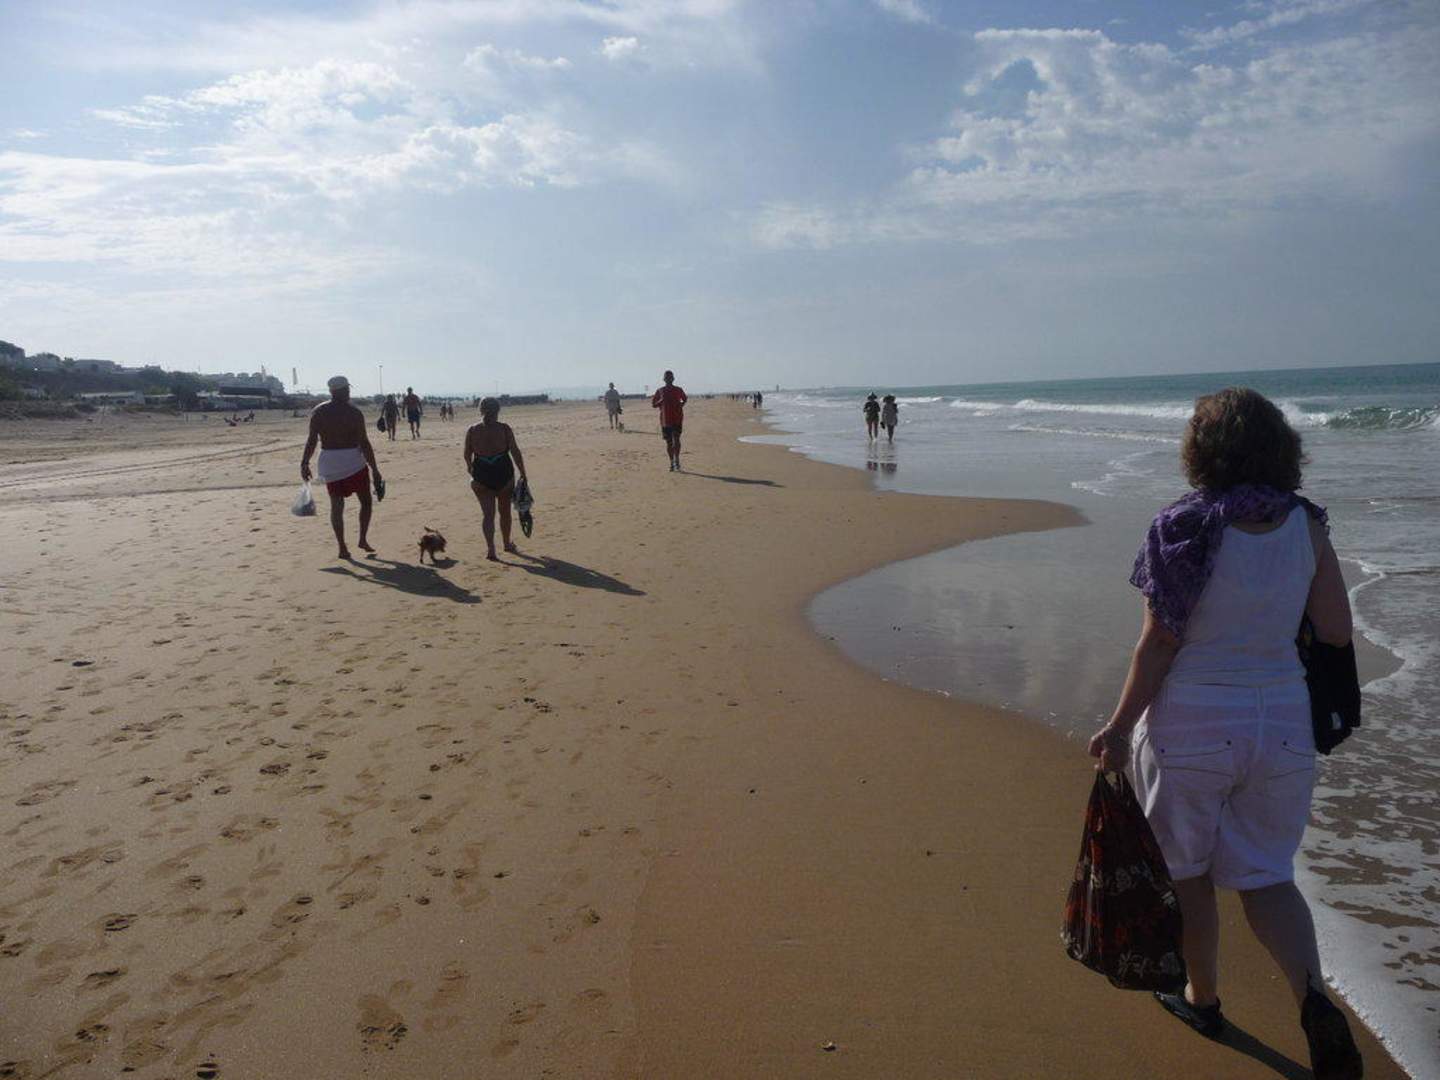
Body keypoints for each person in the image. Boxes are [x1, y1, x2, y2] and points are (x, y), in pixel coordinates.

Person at [1087, 388, 1362, 1080]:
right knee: (1268, 877)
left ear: (1201, 451)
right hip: (1283, 723)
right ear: (1280, 447)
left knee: (1187, 874)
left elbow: (1159, 644)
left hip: (1194, 723)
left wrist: (1118, 727)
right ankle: (1313, 999)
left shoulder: (1184, 526)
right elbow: (1335, 630)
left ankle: (1202, 999)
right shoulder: (1307, 524)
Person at [300, 375, 384, 559]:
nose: (349, 392)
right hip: (353, 461)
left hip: (329, 462)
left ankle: (342, 548)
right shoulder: (354, 413)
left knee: (337, 506)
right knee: (366, 502)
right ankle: (362, 539)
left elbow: (312, 440)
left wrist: (304, 462)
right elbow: (364, 443)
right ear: (344, 390)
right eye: (347, 389)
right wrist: (375, 469)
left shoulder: (319, 411)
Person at [464, 396, 528, 561]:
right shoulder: (504, 429)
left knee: (488, 515)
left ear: (480, 410)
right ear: (498, 410)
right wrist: (523, 473)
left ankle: (491, 549)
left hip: (481, 476)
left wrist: (471, 468)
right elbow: (515, 452)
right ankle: (506, 544)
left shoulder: (472, 430)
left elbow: (467, 454)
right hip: (503, 474)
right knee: (504, 512)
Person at [651, 370, 688, 471]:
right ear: (664, 379)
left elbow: (685, 399)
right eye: (667, 378)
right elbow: (653, 404)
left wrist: (681, 405)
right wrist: (661, 401)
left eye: (670, 378)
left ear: (673, 379)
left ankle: (677, 460)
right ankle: (671, 462)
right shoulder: (660, 391)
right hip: (665, 420)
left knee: (677, 439)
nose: (668, 379)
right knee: (669, 443)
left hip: (677, 418)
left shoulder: (678, 389)